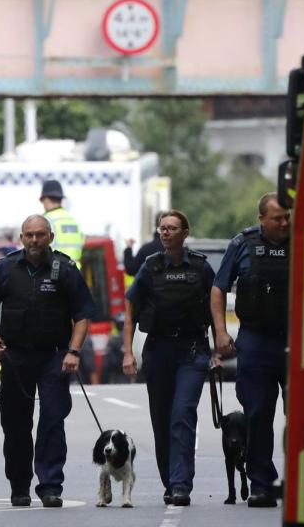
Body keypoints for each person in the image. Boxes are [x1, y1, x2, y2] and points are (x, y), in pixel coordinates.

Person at [0, 214, 96, 508]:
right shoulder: (5, 268)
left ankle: (50, 485)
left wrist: (74, 351)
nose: (34, 240)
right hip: (15, 357)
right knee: (16, 424)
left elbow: (82, 315)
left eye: (40, 235)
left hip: (54, 356)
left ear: (50, 238)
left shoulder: (66, 269)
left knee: (52, 421)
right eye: (29, 235)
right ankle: (19, 485)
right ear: (21, 238)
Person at [121, 210, 214, 507]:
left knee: (182, 414)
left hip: (192, 351)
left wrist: (220, 340)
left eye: (172, 228)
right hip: (159, 350)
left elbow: (216, 302)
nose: (166, 233)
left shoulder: (200, 267)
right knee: (161, 420)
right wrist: (127, 353)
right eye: (162, 228)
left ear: (185, 233)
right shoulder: (150, 268)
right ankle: (170, 481)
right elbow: (130, 312)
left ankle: (180, 484)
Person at [211, 192, 291, 508]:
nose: (285, 223)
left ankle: (300, 479)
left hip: (298, 341)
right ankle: (261, 483)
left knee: (300, 414)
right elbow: (218, 288)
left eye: (287, 216)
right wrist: (220, 332)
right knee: (258, 414)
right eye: (277, 218)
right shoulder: (242, 244)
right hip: (257, 342)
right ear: (261, 220)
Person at [39, 179, 84, 263]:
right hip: (75, 272)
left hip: (54, 273)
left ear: (46, 199)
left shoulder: (45, 221)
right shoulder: (74, 221)